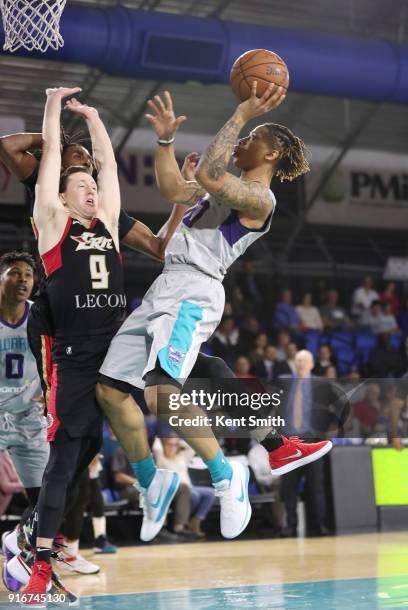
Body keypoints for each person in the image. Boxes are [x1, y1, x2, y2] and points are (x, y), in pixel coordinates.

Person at [97, 81, 333, 545]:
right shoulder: (215, 194)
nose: (244, 141)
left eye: (253, 138)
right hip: (163, 287)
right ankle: (153, 480)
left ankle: (228, 478)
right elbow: (173, 187)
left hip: (193, 291)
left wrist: (242, 114)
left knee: (161, 393)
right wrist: (164, 141)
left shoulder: (259, 200)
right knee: (109, 391)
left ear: (272, 153)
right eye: (245, 133)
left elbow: (208, 173)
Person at [21, 87, 168, 602]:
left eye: (92, 186)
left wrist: (96, 118)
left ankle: (176, 477)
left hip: (119, 346)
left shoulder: (107, 222)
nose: (89, 189)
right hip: (76, 359)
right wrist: (54, 105)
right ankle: (40, 559)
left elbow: (107, 164)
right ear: (61, 198)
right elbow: (54, 161)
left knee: (183, 372)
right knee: (68, 460)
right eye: (79, 185)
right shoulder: (53, 227)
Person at [0, 251, 50, 592]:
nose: (22, 280)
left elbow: (60, 359)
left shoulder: (42, 317)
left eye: (28, 275)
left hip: (30, 419)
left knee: (47, 500)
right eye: (14, 274)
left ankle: (18, 547)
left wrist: (51, 393)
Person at [276, 350, 348, 537]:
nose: (300, 364)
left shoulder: (322, 384)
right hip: (288, 442)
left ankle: (320, 526)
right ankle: (290, 527)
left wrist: (332, 430)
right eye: (298, 361)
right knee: (288, 487)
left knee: (316, 487)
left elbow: (342, 405)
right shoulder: (283, 382)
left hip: (313, 440)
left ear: (312, 364)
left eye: (304, 361)